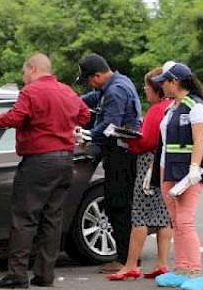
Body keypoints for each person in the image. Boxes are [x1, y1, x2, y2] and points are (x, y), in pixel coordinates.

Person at [0, 53, 90, 288]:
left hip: (38, 161)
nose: (23, 78)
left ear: (32, 68)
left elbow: (14, 118)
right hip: (65, 160)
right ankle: (45, 275)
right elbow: (84, 115)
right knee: (52, 218)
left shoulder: (31, 92)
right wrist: (65, 126)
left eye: (24, 73)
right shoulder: (67, 91)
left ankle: (17, 275)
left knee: (24, 217)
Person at [150, 61, 203, 290]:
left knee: (185, 220)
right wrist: (154, 170)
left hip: (187, 173)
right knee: (175, 221)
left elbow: (199, 141)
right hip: (168, 170)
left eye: (164, 82)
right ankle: (182, 269)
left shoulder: (196, 107)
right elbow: (164, 143)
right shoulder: (172, 107)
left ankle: (196, 272)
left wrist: (195, 168)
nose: (161, 87)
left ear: (174, 82)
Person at [77, 54, 142, 274]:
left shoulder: (115, 91)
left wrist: (85, 135)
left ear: (97, 75)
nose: (90, 84)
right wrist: (71, 101)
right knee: (120, 205)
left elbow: (108, 128)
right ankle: (128, 258)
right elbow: (93, 98)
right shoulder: (117, 83)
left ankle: (125, 260)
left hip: (121, 155)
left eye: (89, 79)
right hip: (122, 154)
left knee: (118, 206)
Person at [106, 67, 172, 281]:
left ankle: (131, 265)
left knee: (140, 215)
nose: (144, 89)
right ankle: (162, 263)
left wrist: (128, 139)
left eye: (147, 86)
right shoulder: (172, 107)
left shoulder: (155, 110)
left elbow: (147, 141)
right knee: (163, 216)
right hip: (166, 164)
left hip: (148, 164)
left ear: (156, 88)